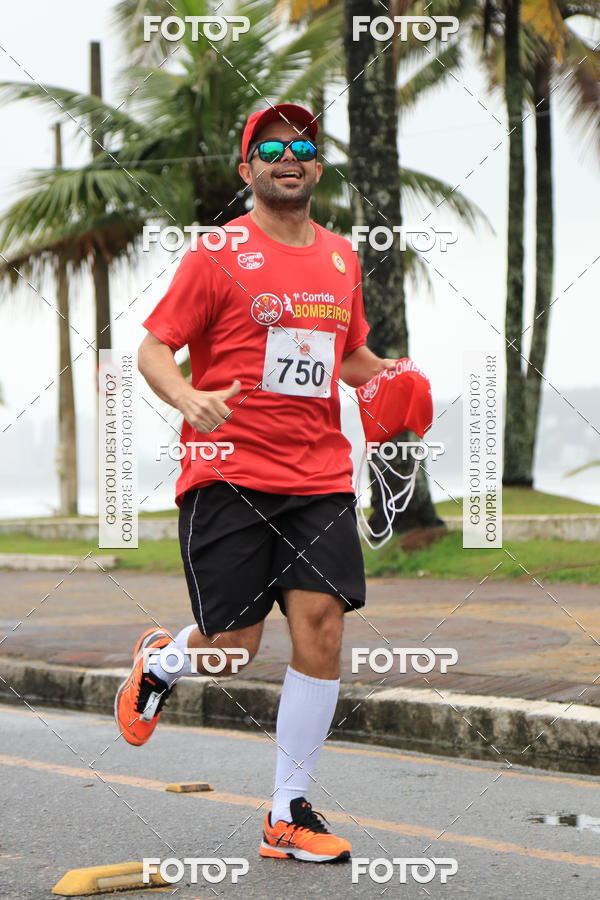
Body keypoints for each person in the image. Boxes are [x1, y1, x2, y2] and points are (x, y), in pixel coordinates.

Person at [115, 102, 395, 864]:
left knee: (323, 629)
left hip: (319, 477)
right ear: (249, 170)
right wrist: (187, 398)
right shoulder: (215, 254)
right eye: (270, 146)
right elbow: (154, 347)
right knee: (232, 647)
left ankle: (286, 812)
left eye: (302, 144)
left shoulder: (340, 258)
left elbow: (349, 358)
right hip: (230, 472)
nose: (289, 154)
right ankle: (164, 661)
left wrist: (397, 381)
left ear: (317, 166)